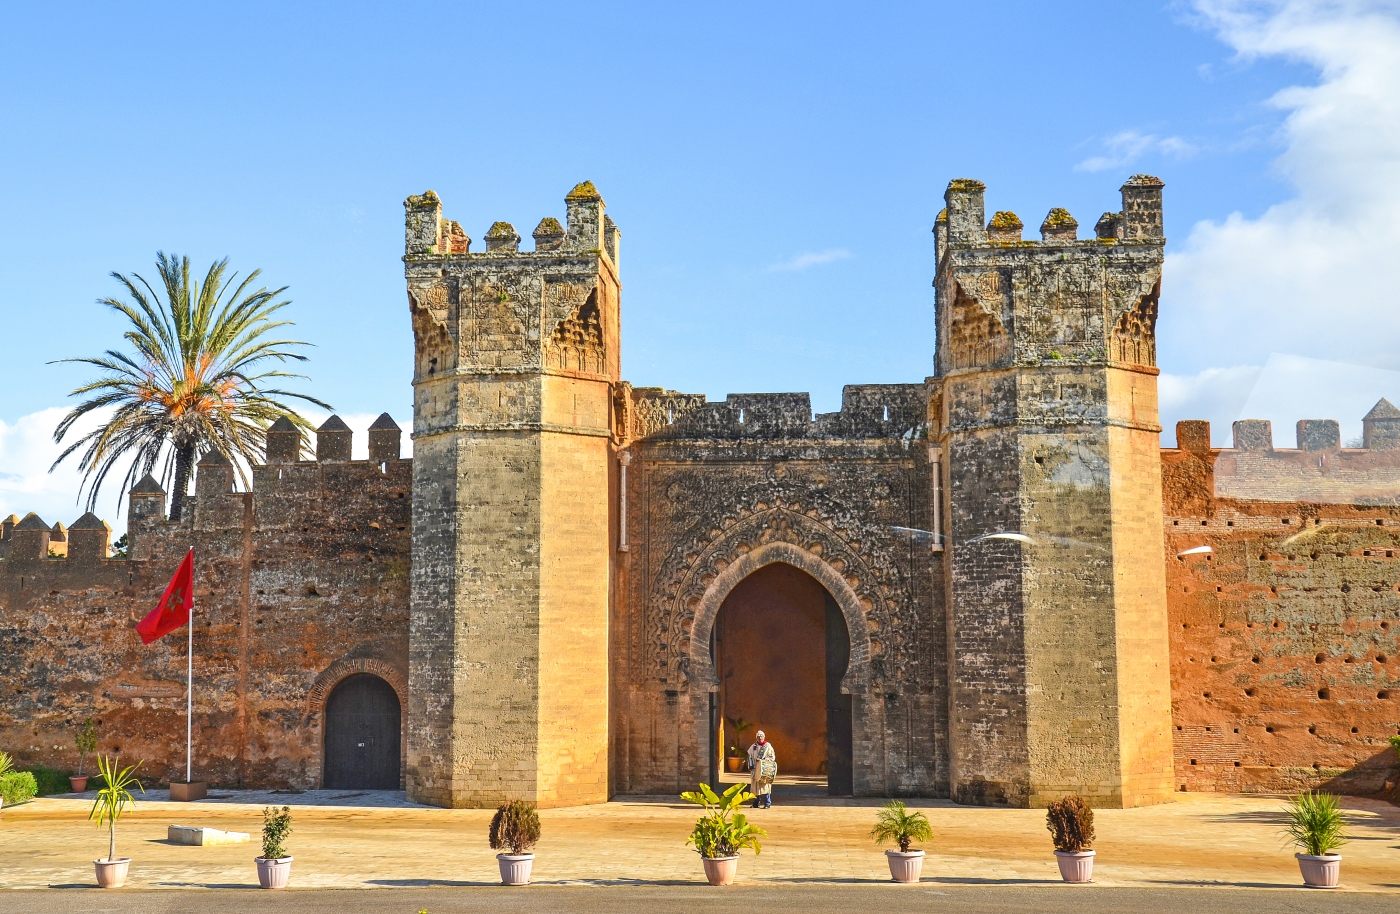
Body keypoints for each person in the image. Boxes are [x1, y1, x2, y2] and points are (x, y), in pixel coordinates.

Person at [747, 730, 776, 808]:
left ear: (764, 737)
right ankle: (756, 803)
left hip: (764, 769)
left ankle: (767, 803)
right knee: (755, 787)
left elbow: (772, 757)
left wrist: (764, 760)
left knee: (765, 786)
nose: (760, 738)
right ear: (756, 737)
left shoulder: (768, 746)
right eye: (758, 736)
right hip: (756, 769)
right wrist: (751, 765)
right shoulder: (753, 746)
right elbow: (749, 755)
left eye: (761, 736)